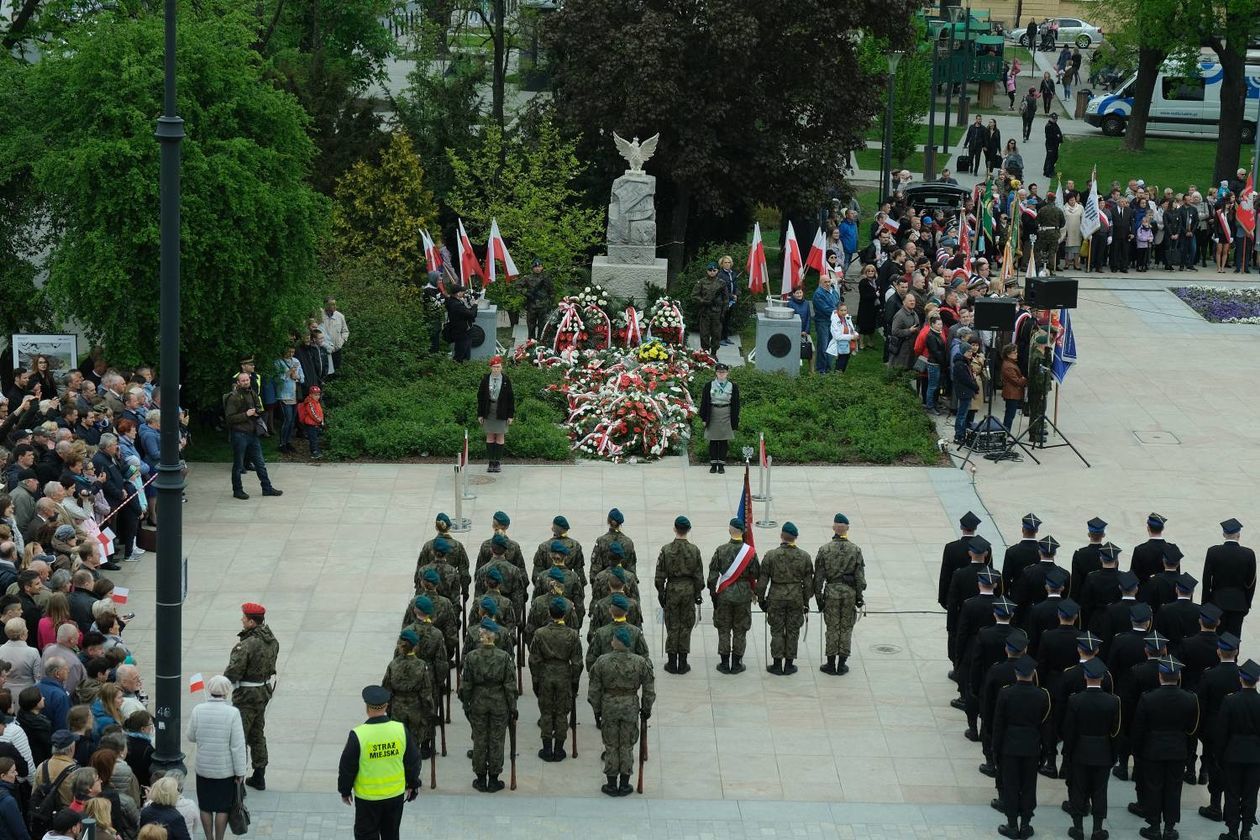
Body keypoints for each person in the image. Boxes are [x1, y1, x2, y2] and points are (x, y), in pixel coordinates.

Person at [337, 685, 419, 840]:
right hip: (394, 796)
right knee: (391, 835)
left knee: (366, 836)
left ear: (367, 708)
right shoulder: (400, 730)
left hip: (368, 799)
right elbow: (413, 761)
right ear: (386, 706)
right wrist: (413, 784)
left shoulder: (359, 735)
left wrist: (345, 790)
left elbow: (347, 767)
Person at [1132, 655, 1199, 839]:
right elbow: (1192, 730)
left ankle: (1154, 826)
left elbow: (1139, 729)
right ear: (1178, 677)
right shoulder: (1190, 699)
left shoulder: (1148, 698)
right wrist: (1190, 753)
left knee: (1153, 787)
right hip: (1178, 751)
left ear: (1160, 676)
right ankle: (1169, 827)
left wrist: (1137, 751)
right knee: (1174, 789)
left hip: (1152, 751)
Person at [586, 625, 654, 797]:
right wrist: (646, 709)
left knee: (610, 745)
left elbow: (593, 689)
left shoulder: (602, 661)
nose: (611, 641)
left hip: (609, 706)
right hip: (630, 706)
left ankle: (611, 783)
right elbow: (649, 689)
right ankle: (624, 783)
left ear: (617, 642)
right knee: (626, 745)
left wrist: (596, 709)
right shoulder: (640, 662)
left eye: (613, 639)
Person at [1061, 657, 1120, 840]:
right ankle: (1097, 829)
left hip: (1080, 751)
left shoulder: (1075, 700)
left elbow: (1069, 730)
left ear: (1085, 676)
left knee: (1079, 790)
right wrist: (1114, 754)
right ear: (1102, 678)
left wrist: (1067, 753)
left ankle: (1078, 828)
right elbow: (1116, 731)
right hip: (1103, 751)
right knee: (1100, 791)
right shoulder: (1113, 701)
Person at [993, 654, 1052, 838]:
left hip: (1009, 747)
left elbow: (998, 725)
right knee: (1028, 786)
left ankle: (1012, 824)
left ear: (1015, 673)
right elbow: (1045, 727)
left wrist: (996, 750)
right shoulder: (1042, 695)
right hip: (1032, 747)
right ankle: (1025, 825)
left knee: (1010, 785)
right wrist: (1045, 752)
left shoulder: (1006, 693)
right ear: (1033, 673)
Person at [223, 602, 279, 791]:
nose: (242, 620)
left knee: (240, 737)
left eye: (244, 618)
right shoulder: (272, 640)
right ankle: (259, 775)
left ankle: (239, 782)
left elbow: (232, 672)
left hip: (246, 696)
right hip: (263, 692)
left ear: (252, 622)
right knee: (257, 733)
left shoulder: (246, 645)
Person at [458, 620, 516, 792]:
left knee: (480, 739)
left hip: (478, 702)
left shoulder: (472, 657)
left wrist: (466, 703)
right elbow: (510, 685)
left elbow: (466, 684)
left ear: (481, 635)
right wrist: (512, 706)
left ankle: (480, 777)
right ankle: (494, 778)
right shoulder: (504, 657)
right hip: (499, 703)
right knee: (497, 740)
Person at [185, 675, 246, 840]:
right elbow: (237, 746)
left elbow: (190, 736)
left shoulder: (198, 709)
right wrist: (240, 772)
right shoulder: (233, 713)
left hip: (203, 768)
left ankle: (208, 838)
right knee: (222, 808)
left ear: (210, 690)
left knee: (205, 806)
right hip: (224, 771)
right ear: (227, 692)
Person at [527, 598, 582, 762]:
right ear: (564, 614)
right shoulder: (572, 634)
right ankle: (559, 749)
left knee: (546, 712)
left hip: (545, 674)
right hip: (564, 674)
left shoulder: (540, 633)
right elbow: (578, 662)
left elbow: (534, 660)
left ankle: (547, 748)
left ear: (550, 613)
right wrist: (574, 681)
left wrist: (535, 679)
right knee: (561, 712)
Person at [755, 523, 813, 676]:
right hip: (796, 597)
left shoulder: (771, 555)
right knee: (793, 631)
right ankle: (789, 664)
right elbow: (808, 584)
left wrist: (761, 599)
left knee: (777, 630)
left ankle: (776, 663)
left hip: (776, 597)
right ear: (795, 537)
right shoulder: (805, 557)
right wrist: (806, 601)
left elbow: (762, 581)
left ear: (781, 535)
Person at [814, 514, 866, 676]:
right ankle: (842, 664)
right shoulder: (855, 550)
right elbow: (860, 578)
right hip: (849, 593)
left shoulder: (824, 550)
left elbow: (819, 578)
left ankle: (830, 664)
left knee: (832, 627)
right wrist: (859, 596)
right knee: (846, 627)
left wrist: (819, 598)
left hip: (831, 593)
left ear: (834, 528)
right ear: (847, 528)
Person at [707, 518, 760, 675]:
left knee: (724, 628)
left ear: (730, 531)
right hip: (743, 594)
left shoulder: (721, 550)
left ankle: (724, 663)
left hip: (725, 593)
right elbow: (756, 572)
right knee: (740, 628)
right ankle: (737, 663)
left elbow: (712, 575)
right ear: (743, 532)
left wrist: (713, 593)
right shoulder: (749, 553)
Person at [1216, 658, 1260, 840]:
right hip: (1256, 756)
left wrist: (1220, 757)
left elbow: (1222, 732)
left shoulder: (1230, 701)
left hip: (1233, 754)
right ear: (1257, 680)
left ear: (1240, 678)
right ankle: (1246, 830)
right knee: (1251, 794)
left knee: (1232, 794)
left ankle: (1232, 831)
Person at [654, 516, 703, 675]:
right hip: (688, 590)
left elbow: (660, 574)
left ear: (675, 528)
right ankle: (683, 662)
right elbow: (698, 576)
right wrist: (697, 593)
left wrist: (661, 591)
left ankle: (671, 661)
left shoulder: (666, 549)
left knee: (672, 624)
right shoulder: (694, 550)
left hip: (673, 589)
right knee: (686, 625)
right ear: (688, 530)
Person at [224, 374, 281, 502]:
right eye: (243, 380)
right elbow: (229, 418)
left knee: (260, 463)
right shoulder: (233, 397)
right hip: (239, 434)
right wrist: (246, 414)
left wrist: (257, 412)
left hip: (252, 433)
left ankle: (267, 488)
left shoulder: (252, 393)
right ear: (238, 382)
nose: (245, 382)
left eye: (247, 380)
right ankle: (237, 490)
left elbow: (259, 408)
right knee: (238, 464)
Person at [1203, 517, 1256, 638]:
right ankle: (1233, 657)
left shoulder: (1213, 551)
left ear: (1223, 534)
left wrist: (1205, 604)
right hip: (1239, 604)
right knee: (1233, 640)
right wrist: (1247, 603)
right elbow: (1251, 582)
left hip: (1216, 603)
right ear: (1238, 534)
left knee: (1217, 639)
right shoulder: (1248, 554)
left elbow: (1206, 580)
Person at [476, 356, 515, 474]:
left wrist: (510, 415)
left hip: (501, 409)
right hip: (489, 409)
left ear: (501, 367)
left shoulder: (506, 380)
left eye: (498, 367)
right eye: (494, 367)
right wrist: (480, 414)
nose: (496, 369)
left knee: (500, 436)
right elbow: (480, 397)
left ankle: (497, 462)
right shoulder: (485, 379)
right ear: (491, 367)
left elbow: (510, 398)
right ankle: (490, 461)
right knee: (490, 436)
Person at [698, 364, 739, 474]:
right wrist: (703, 417)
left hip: (726, 412)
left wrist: (735, 420)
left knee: (723, 440)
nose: (721, 374)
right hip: (713, 413)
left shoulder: (732, 386)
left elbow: (736, 404)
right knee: (713, 440)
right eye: (719, 372)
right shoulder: (709, 385)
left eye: (724, 372)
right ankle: (713, 464)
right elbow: (704, 402)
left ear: (727, 373)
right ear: (716, 373)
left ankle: (721, 464)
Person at [692, 262, 727, 356]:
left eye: (714, 270)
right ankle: (705, 353)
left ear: (717, 271)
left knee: (716, 334)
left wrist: (723, 312)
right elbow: (694, 296)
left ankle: (714, 353)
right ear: (707, 271)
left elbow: (725, 299)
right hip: (705, 311)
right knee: (704, 334)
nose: (712, 272)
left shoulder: (722, 283)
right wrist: (703, 301)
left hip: (717, 312)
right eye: (710, 270)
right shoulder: (701, 282)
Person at [811, 272, 840, 373]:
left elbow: (838, 303)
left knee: (831, 346)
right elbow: (825, 309)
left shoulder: (833, 291)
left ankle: (828, 367)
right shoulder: (818, 294)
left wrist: (838, 310)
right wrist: (837, 312)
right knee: (823, 346)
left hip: (833, 322)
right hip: (822, 322)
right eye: (825, 282)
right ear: (820, 283)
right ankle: (821, 369)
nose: (827, 284)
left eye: (828, 281)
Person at [444, 285, 478, 363]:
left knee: (466, 353)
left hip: (464, 331)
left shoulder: (453, 301)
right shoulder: (456, 305)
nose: (464, 293)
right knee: (460, 354)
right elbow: (471, 314)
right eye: (462, 292)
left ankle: (463, 368)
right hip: (461, 332)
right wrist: (475, 305)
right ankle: (457, 369)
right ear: (458, 294)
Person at [522, 260, 552, 343]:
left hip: (543, 306)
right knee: (531, 326)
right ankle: (530, 343)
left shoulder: (546, 278)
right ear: (532, 268)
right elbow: (517, 286)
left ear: (542, 267)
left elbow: (551, 291)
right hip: (532, 306)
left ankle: (541, 342)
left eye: (539, 266)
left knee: (542, 326)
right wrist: (527, 293)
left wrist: (550, 304)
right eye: (536, 267)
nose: (538, 268)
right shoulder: (527, 278)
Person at [998, 344, 1026, 433]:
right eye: (1014, 353)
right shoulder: (1008, 365)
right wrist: (1024, 379)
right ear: (1008, 354)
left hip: (1013, 393)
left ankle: (1006, 432)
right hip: (1011, 393)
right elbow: (1017, 381)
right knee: (1009, 415)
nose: (1016, 354)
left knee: (1010, 415)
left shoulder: (1011, 363)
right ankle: (1006, 433)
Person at [295, 384, 325, 460]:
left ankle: (316, 450)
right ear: (310, 395)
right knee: (313, 439)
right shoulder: (310, 403)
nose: (317, 396)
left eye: (318, 395)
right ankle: (314, 452)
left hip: (316, 424)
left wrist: (322, 421)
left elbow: (320, 412)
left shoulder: (316, 402)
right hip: (311, 424)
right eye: (315, 395)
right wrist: (319, 420)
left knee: (315, 438)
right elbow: (313, 413)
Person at [827, 303, 857, 372]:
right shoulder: (835, 321)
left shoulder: (847, 318)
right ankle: (836, 379)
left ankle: (840, 378)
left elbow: (851, 329)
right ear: (837, 311)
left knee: (844, 364)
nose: (843, 312)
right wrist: (851, 337)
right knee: (839, 366)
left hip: (847, 345)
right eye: (841, 310)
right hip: (838, 346)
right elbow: (837, 336)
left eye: (845, 310)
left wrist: (855, 334)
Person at [717, 255, 739, 343]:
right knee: (721, 319)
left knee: (728, 319)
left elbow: (736, 286)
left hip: (732, 300)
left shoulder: (733, 274)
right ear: (722, 264)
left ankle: (726, 337)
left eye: (729, 262)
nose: (727, 264)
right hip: (723, 300)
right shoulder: (720, 274)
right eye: (725, 262)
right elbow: (722, 289)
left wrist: (736, 294)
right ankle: (720, 338)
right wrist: (731, 296)